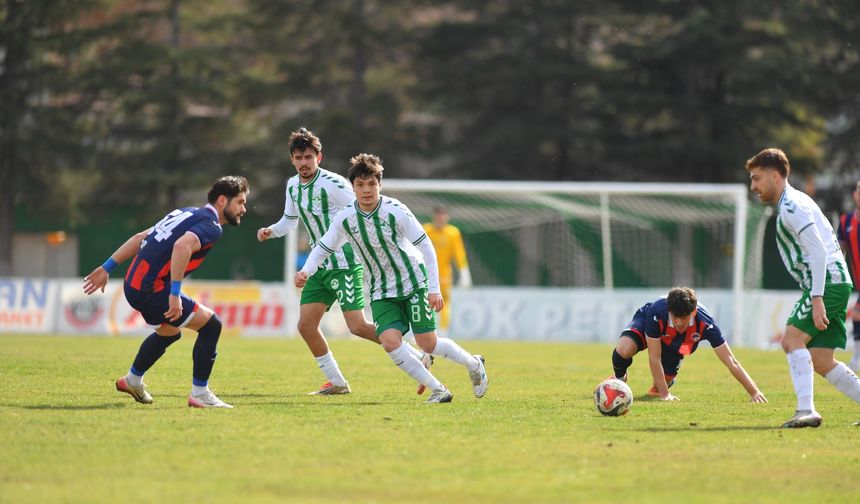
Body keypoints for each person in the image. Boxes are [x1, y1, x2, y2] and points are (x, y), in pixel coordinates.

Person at [294, 153, 489, 403]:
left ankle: (474, 363)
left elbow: (426, 246)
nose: (366, 190)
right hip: (381, 290)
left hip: (413, 283)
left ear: (380, 185)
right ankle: (439, 389)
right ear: (352, 187)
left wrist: (433, 288)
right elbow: (323, 247)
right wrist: (306, 271)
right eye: (360, 185)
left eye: (371, 184)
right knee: (389, 341)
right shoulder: (345, 217)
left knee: (427, 343)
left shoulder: (396, 211)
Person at [257, 128, 431, 395]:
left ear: (319, 157)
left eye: (308, 157)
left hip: (345, 263)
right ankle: (337, 381)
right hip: (319, 266)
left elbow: (365, 208)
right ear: (292, 160)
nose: (304, 162)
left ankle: (418, 357)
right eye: (298, 157)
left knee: (357, 326)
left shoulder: (334, 184)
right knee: (305, 325)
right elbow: (289, 222)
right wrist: (272, 230)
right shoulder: (292, 186)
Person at [82, 176, 250, 409]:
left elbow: (140, 238)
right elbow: (182, 246)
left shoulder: (184, 212)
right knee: (212, 325)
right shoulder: (212, 227)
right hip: (153, 290)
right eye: (240, 202)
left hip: (133, 285)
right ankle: (200, 394)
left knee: (170, 332)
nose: (244, 208)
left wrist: (106, 267)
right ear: (222, 200)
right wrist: (174, 294)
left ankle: (132, 380)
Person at [747, 147, 860, 427]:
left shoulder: (791, 206)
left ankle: (806, 411)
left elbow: (819, 252)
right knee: (821, 360)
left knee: (791, 340)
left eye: (757, 178)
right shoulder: (796, 201)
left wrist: (818, 296)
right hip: (834, 282)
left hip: (828, 284)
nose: (753, 186)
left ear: (775, 176)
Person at [610, 287, 767, 403]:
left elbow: (731, 361)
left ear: (693, 312)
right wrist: (666, 395)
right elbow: (654, 357)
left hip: (678, 343)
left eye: (683, 317)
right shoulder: (657, 312)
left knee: (661, 383)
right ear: (669, 310)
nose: (678, 322)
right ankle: (618, 379)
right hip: (650, 325)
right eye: (674, 316)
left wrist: (754, 392)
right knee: (624, 349)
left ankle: (667, 379)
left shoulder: (706, 324)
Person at [423, 207, 471, 334]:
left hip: (444, 275)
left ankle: (443, 332)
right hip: (425, 274)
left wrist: (464, 273)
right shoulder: (426, 230)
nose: (440, 218)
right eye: (438, 216)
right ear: (434, 217)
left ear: (447, 217)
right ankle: (425, 331)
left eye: (443, 215)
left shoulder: (452, 232)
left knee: (443, 303)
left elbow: (459, 254)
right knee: (424, 302)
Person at [836, 180, 860, 372]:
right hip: (857, 281)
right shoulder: (846, 221)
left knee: (858, 314)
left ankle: (857, 358)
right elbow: (840, 250)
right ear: (854, 195)